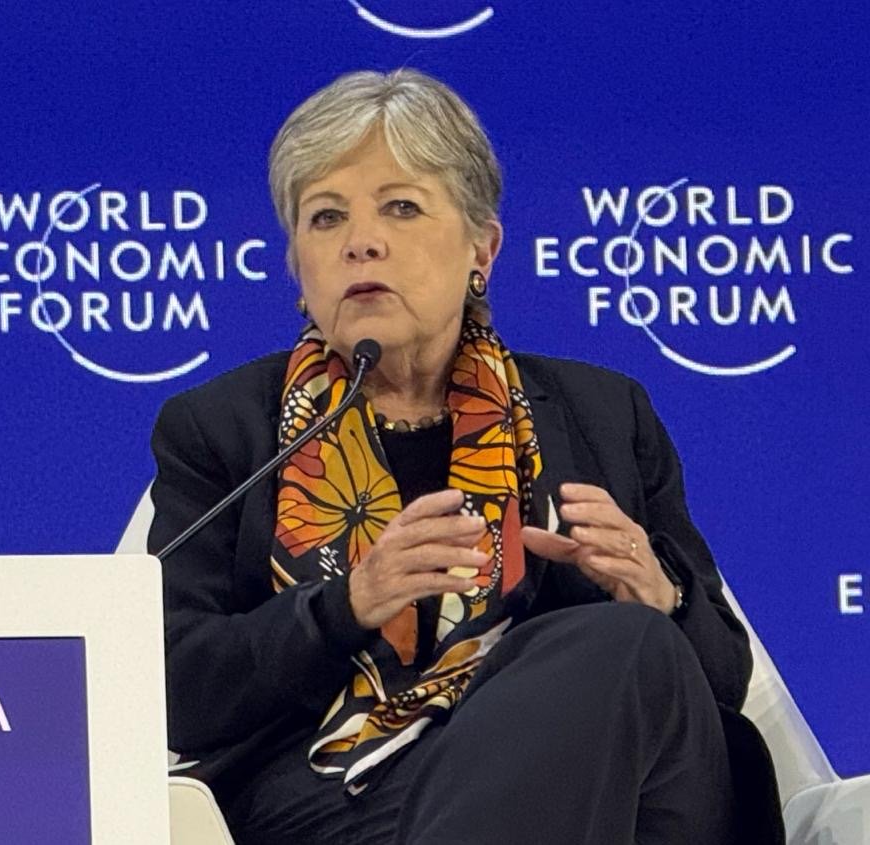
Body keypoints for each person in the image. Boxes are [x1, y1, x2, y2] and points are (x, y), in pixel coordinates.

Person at [148, 69, 781, 844]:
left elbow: (718, 680)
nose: (361, 241)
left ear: (482, 248)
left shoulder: (603, 414)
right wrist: (346, 605)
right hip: (342, 795)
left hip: (601, 770)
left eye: (401, 206)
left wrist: (661, 593)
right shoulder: (222, 429)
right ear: (298, 268)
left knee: (629, 646)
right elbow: (170, 686)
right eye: (325, 216)